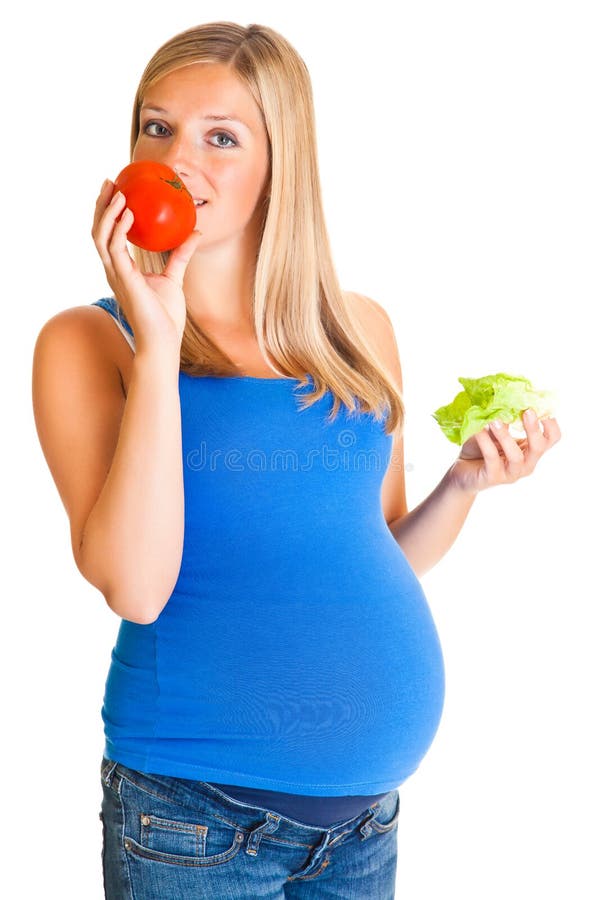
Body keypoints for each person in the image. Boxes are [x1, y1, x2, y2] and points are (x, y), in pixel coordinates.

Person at [31, 21, 561, 900]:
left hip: (364, 826)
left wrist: (464, 483)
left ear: (284, 160)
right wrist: (158, 350)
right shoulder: (90, 341)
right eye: (155, 127)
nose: (176, 160)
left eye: (221, 137)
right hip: (191, 820)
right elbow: (135, 586)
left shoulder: (358, 332)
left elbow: (378, 549)